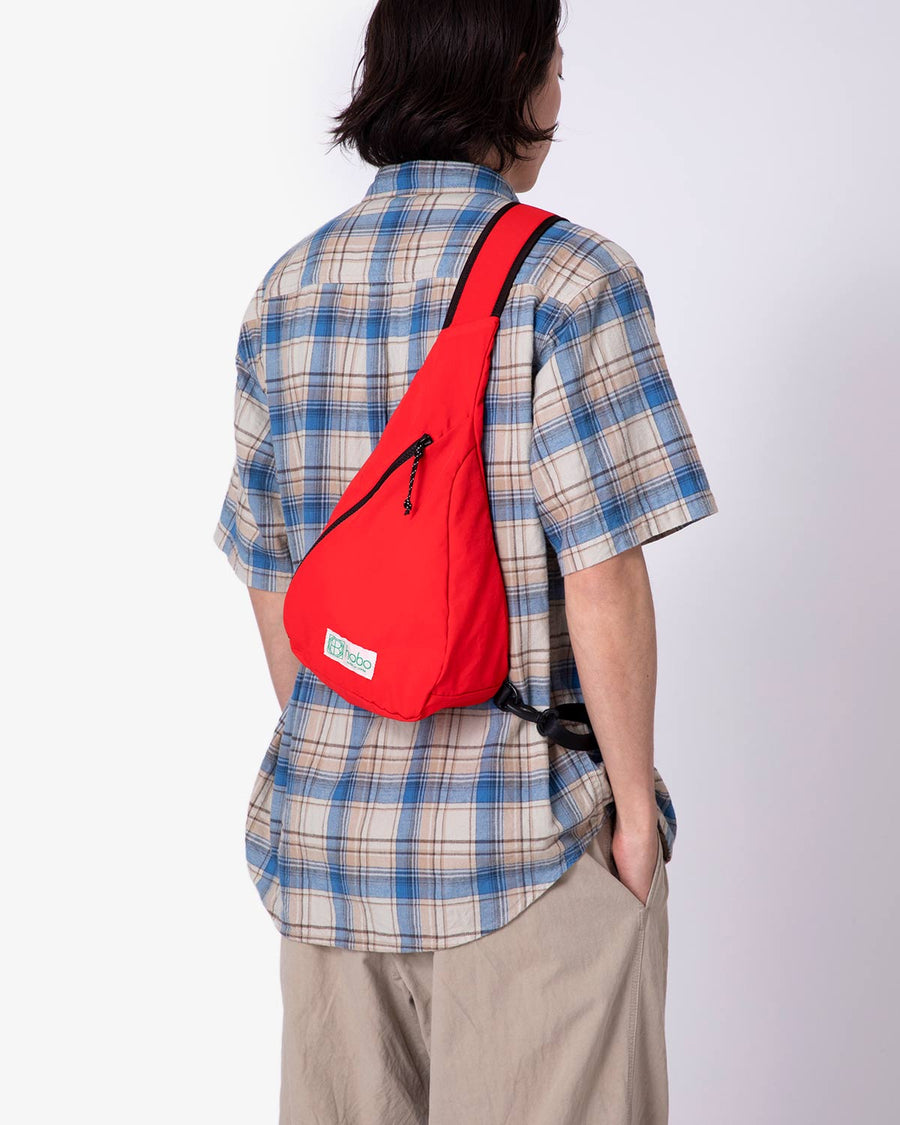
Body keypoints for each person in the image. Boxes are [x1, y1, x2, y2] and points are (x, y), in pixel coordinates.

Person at [212, 2, 718, 1122]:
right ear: (518, 80)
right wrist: (635, 820)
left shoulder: (287, 290)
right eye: (556, 67)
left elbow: (271, 572)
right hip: (523, 844)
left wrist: (352, 748)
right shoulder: (573, 279)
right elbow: (603, 572)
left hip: (329, 848)